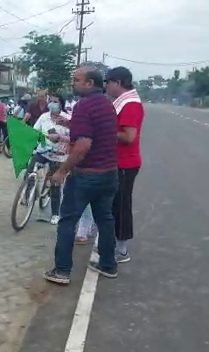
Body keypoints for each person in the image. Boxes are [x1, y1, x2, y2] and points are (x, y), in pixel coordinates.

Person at [45, 67, 119, 285]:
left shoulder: (84, 106)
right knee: (105, 219)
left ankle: (62, 271)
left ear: (89, 84)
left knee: (67, 221)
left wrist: (62, 170)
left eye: (76, 80)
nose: (72, 83)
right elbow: (97, 133)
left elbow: (84, 144)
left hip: (87, 175)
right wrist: (69, 124)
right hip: (109, 173)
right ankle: (108, 264)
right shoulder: (106, 104)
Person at [105, 66, 144, 263]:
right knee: (115, 204)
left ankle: (121, 251)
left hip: (125, 163)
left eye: (108, 82)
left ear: (118, 83)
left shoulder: (130, 104)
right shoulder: (122, 103)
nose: (106, 87)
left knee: (120, 205)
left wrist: (103, 132)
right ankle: (115, 245)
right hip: (119, 161)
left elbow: (129, 136)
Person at [32, 94, 70, 225]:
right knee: (31, 166)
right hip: (43, 151)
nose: (52, 104)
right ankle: (27, 192)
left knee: (55, 183)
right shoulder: (44, 117)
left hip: (58, 155)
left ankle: (55, 213)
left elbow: (73, 139)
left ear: (61, 104)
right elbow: (35, 131)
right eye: (51, 101)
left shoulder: (68, 119)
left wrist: (63, 141)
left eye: (55, 102)